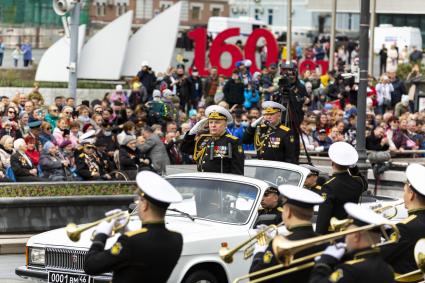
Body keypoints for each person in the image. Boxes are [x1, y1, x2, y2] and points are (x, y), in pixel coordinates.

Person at [84, 171, 183, 283]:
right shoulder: (176, 239)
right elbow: (141, 254)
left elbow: (90, 266)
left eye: (139, 200)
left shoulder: (129, 242)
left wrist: (100, 235)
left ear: (145, 205)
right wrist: (125, 230)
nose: (137, 204)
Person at [250, 185, 325, 283]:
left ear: (288, 212)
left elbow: (255, 277)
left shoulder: (279, 245)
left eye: (284, 210)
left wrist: (259, 251)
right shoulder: (325, 243)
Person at [309, 203, 395, 283]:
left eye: (347, 233)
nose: (345, 238)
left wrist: (323, 263)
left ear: (356, 236)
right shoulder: (387, 269)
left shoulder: (350, 270)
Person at [380, 164, 425, 283]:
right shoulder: (412, 224)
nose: (403, 195)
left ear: (411, 194)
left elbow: (380, 256)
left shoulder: (405, 227)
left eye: (404, 191)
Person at [315, 142, 367, 235]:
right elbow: (364, 184)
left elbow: (323, 218)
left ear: (332, 161)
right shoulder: (357, 182)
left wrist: (318, 238)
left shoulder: (329, 186)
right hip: (350, 231)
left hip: (333, 235)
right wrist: (353, 167)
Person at [181, 105, 244, 174]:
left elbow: (237, 171)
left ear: (225, 124)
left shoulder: (232, 141)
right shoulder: (204, 139)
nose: (213, 125)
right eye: (211, 122)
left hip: (220, 183)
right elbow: (185, 149)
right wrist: (191, 133)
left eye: (217, 122)